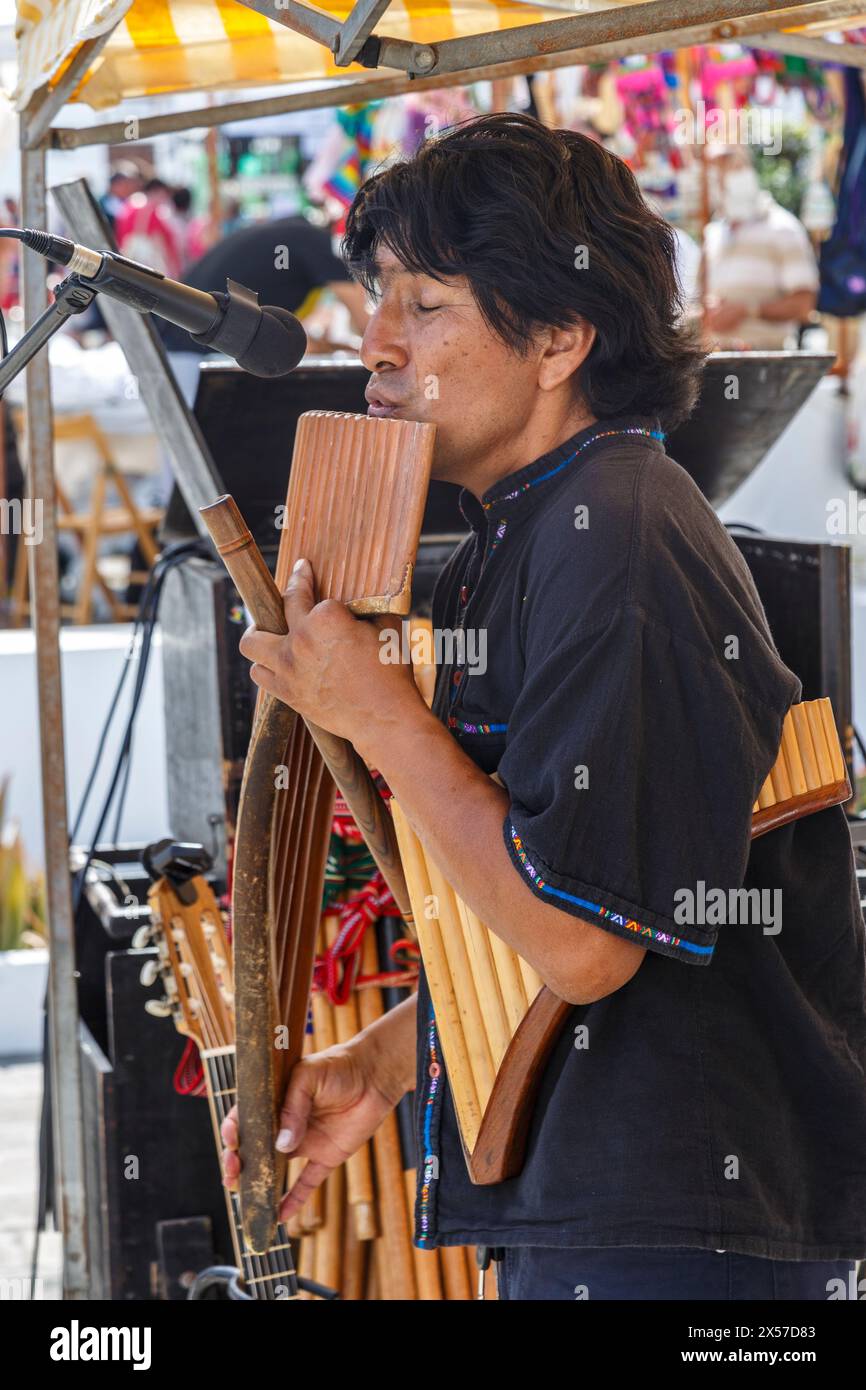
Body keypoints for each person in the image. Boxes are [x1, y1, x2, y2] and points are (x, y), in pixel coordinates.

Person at [221, 114, 866, 1301]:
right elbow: (582, 887)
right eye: (378, 299)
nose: (373, 341)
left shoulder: (615, 537)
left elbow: (585, 944)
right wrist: (387, 1058)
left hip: (683, 1234)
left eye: (421, 305)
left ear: (561, 334)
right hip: (624, 1209)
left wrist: (376, 716)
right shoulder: (538, 522)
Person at [158, 212, 369, 366]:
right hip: (199, 350)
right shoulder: (321, 245)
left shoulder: (290, 235)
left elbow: (292, 340)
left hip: (181, 339)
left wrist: (338, 348)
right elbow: (366, 328)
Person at [703, 144, 820, 349]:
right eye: (715, 170)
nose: (720, 177)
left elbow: (804, 306)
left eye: (730, 167)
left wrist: (749, 310)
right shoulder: (715, 232)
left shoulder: (783, 228)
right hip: (720, 363)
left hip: (770, 366)